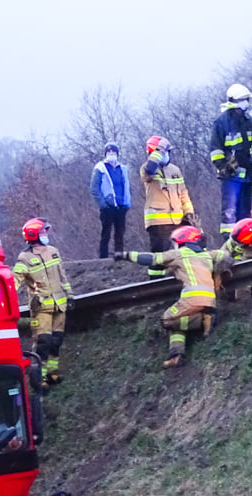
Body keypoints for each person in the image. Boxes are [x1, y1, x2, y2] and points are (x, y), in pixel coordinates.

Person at [114, 226, 215, 368]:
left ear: (182, 242)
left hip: (192, 298)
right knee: (178, 323)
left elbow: (153, 258)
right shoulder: (206, 255)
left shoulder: (179, 254)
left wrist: (125, 255)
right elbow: (223, 256)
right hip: (210, 300)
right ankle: (176, 355)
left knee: (166, 320)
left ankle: (202, 320)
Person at [11, 218, 74, 387]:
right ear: (34, 235)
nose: (46, 234)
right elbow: (15, 280)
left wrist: (70, 295)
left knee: (56, 341)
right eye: (43, 231)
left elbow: (62, 276)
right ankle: (39, 379)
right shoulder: (24, 258)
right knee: (43, 343)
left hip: (59, 305)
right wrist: (6, 296)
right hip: (41, 309)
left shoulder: (53, 251)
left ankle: (52, 374)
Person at [140, 136, 196, 279]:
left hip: (178, 220)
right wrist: (159, 149)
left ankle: (183, 282)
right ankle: (154, 286)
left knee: (186, 254)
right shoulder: (147, 169)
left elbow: (183, 193)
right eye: (164, 152)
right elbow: (150, 170)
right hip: (159, 223)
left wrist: (189, 213)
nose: (167, 154)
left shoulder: (175, 170)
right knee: (159, 258)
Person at [210, 84, 252, 241]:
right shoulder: (222, 122)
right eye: (243, 100)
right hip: (231, 176)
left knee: (245, 211)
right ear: (235, 101)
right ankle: (229, 244)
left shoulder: (249, 120)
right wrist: (223, 166)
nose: (246, 103)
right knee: (229, 212)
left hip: (247, 175)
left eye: (247, 100)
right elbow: (215, 149)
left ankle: (246, 242)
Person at [90, 142, 131, 258]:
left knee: (120, 234)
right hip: (107, 207)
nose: (111, 154)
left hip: (121, 206)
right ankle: (103, 258)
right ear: (105, 153)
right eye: (109, 152)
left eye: (113, 152)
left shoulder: (122, 168)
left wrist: (127, 203)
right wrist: (103, 204)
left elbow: (126, 186)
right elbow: (94, 188)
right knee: (105, 233)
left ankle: (119, 257)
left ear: (117, 154)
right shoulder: (100, 168)